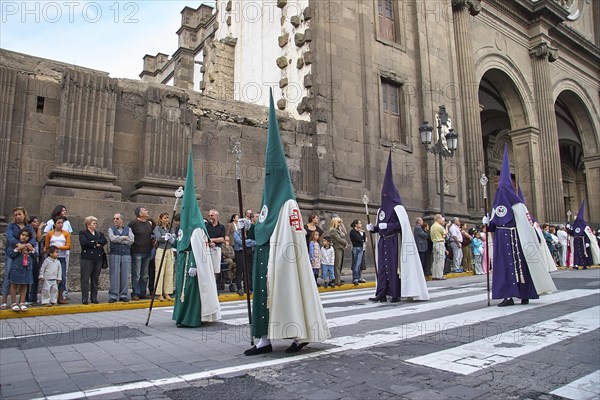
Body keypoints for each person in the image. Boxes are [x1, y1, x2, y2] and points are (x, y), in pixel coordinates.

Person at [243, 92, 329, 355]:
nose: (268, 177)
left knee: (289, 295)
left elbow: (295, 234)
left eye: (272, 173)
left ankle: (297, 336)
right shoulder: (266, 201)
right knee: (262, 298)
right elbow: (262, 226)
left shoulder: (289, 204)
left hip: (283, 260)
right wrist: (253, 227)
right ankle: (264, 340)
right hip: (263, 255)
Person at [485, 145, 556, 306]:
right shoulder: (519, 205)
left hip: (505, 241)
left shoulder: (501, 205)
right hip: (520, 241)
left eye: (498, 184)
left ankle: (510, 296)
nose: (497, 186)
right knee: (522, 265)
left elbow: (493, 226)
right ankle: (525, 294)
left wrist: (488, 222)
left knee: (507, 266)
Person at [366, 152, 429, 303]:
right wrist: (374, 228)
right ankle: (381, 293)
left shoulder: (398, 209)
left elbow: (402, 226)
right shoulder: (381, 209)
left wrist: (387, 225)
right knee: (382, 267)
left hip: (394, 242)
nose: (384, 197)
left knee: (394, 267)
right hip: (383, 241)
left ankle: (395, 293)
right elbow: (380, 227)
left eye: (387, 194)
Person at [172, 153, 221, 327]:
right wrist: (172, 240)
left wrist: (193, 264)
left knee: (191, 290)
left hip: (192, 264)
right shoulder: (184, 227)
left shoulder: (197, 229)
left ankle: (191, 318)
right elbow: (180, 243)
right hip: (182, 262)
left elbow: (198, 250)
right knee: (181, 290)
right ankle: (181, 316)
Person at [1, 207, 35, 310]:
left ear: (24, 214)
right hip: (13, 253)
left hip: (24, 254)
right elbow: (10, 237)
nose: (17, 216)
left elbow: (33, 238)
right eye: (16, 215)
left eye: (19, 214)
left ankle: (22, 301)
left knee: (24, 276)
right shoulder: (11, 226)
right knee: (8, 276)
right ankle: (4, 300)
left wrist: (29, 244)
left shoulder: (29, 227)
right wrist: (18, 244)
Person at [43, 205, 73, 299]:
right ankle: (49, 297)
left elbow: (69, 244)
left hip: (63, 255)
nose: (61, 224)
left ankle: (62, 295)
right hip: (52, 256)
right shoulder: (50, 227)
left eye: (62, 223)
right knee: (51, 276)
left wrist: (60, 247)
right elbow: (46, 244)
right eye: (62, 210)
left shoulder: (66, 227)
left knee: (63, 276)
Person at [79, 216, 107, 305]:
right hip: (87, 258)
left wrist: (93, 242)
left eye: (96, 223)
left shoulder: (99, 234)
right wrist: (95, 243)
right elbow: (84, 242)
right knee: (85, 278)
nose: (95, 225)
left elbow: (103, 241)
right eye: (93, 223)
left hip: (97, 258)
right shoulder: (83, 233)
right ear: (88, 224)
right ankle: (85, 298)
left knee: (95, 279)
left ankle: (94, 297)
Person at [108, 213, 134, 303]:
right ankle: (113, 295)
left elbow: (131, 240)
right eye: (114, 218)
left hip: (126, 254)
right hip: (115, 253)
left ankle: (123, 295)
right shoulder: (111, 229)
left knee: (125, 275)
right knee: (114, 275)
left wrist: (119, 239)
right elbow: (112, 239)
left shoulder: (128, 229)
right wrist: (124, 238)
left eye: (117, 218)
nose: (115, 220)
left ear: (122, 220)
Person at [128, 207, 154, 300]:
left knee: (145, 274)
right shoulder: (133, 223)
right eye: (144, 210)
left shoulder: (148, 223)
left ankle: (143, 292)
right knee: (137, 274)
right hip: (137, 252)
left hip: (147, 251)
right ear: (139, 214)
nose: (147, 211)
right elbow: (128, 234)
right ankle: (135, 292)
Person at [8, 229, 35, 311]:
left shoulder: (30, 246)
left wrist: (31, 250)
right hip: (16, 268)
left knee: (24, 285)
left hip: (26, 268)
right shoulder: (15, 245)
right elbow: (10, 254)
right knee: (14, 285)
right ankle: (13, 303)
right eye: (23, 235)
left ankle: (22, 302)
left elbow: (35, 256)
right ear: (19, 235)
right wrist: (17, 249)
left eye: (27, 236)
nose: (24, 237)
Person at [567, 202, 600, 269]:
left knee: (584, 252)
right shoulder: (574, 226)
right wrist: (568, 226)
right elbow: (571, 233)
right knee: (576, 252)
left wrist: (587, 242)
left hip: (583, 240)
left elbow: (588, 235)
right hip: (576, 240)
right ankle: (576, 264)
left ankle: (584, 264)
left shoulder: (585, 226)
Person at [153, 213, 175, 301]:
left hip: (169, 250)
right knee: (159, 271)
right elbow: (158, 238)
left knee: (169, 272)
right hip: (161, 250)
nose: (167, 220)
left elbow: (173, 238)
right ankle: (159, 293)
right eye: (165, 218)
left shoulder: (171, 228)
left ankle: (167, 292)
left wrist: (170, 238)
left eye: (167, 218)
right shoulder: (157, 228)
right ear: (161, 219)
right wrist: (167, 237)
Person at [27, 215, 45, 306]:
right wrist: (40, 228)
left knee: (35, 277)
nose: (36, 223)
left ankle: (33, 297)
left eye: (37, 221)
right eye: (34, 222)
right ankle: (27, 298)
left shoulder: (37, 231)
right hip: (30, 256)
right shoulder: (29, 233)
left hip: (37, 256)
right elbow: (37, 239)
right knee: (29, 278)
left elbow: (39, 239)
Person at [234, 226, 256, 296]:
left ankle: (247, 288)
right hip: (240, 252)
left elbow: (256, 242)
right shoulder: (237, 232)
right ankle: (239, 288)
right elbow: (240, 242)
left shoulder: (250, 232)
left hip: (249, 252)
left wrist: (247, 242)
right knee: (239, 270)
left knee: (248, 270)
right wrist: (250, 242)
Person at [206, 209, 226, 278]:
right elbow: (204, 237)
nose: (210, 217)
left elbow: (222, 239)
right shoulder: (206, 226)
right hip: (207, 249)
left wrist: (212, 240)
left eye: (212, 215)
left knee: (215, 270)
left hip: (216, 249)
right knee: (207, 269)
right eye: (209, 215)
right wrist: (209, 242)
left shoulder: (221, 227)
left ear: (217, 216)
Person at [328, 217, 347, 287]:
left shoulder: (338, 230)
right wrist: (345, 243)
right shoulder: (333, 230)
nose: (340, 223)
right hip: (337, 248)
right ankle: (337, 281)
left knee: (339, 264)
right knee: (337, 265)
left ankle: (338, 279)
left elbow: (345, 233)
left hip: (340, 248)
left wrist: (342, 226)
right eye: (339, 222)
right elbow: (339, 239)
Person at [429, 214, 446, 280]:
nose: (442, 220)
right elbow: (445, 233)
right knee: (440, 260)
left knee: (435, 260)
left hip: (434, 243)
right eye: (441, 219)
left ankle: (434, 275)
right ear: (438, 219)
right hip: (440, 242)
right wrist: (446, 227)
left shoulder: (432, 226)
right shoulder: (439, 227)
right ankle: (439, 275)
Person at [349, 220, 366, 285]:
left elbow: (364, 240)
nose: (361, 224)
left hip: (361, 248)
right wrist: (362, 239)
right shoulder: (353, 232)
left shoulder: (359, 232)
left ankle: (358, 277)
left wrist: (363, 233)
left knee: (359, 263)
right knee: (356, 263)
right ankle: (355, 278)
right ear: (356, 224)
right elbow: (359, 240)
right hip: (356, 248)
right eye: (360, 223)